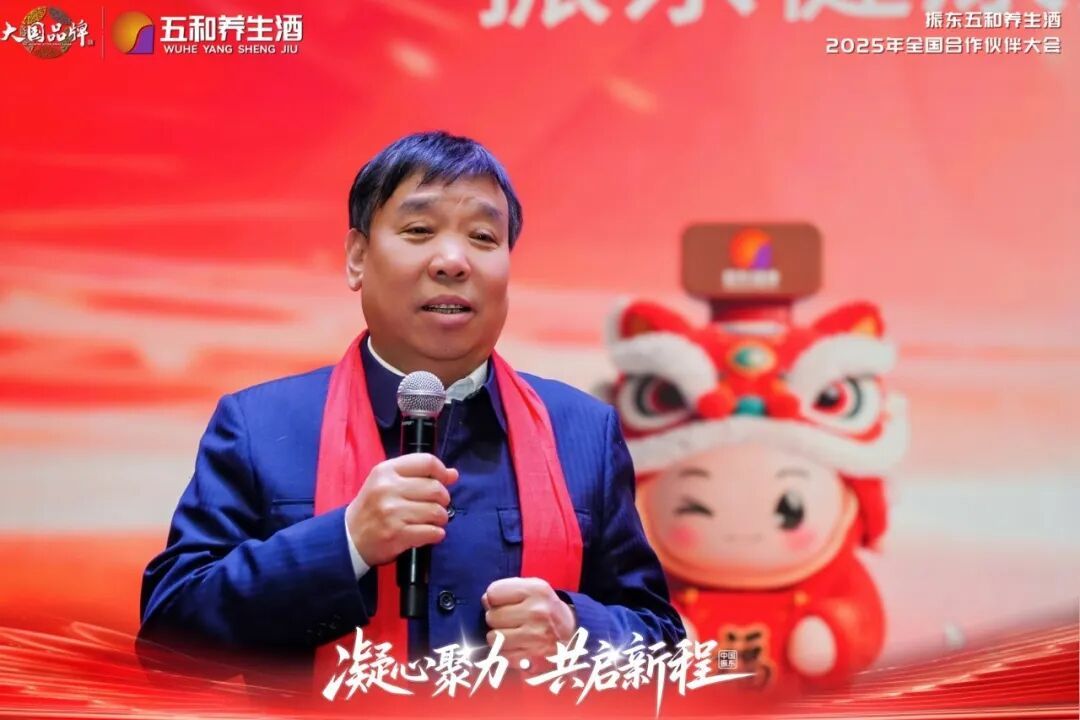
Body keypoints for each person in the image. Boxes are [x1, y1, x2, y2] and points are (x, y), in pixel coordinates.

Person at [138, 131, 684, 685]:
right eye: (419, 230)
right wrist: (346, 543)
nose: (452, 261)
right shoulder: (259, 425)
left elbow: (664, 650)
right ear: (357, 258)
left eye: (483, 237)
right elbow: (169, 637)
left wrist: (576, 633)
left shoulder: (583, 431)